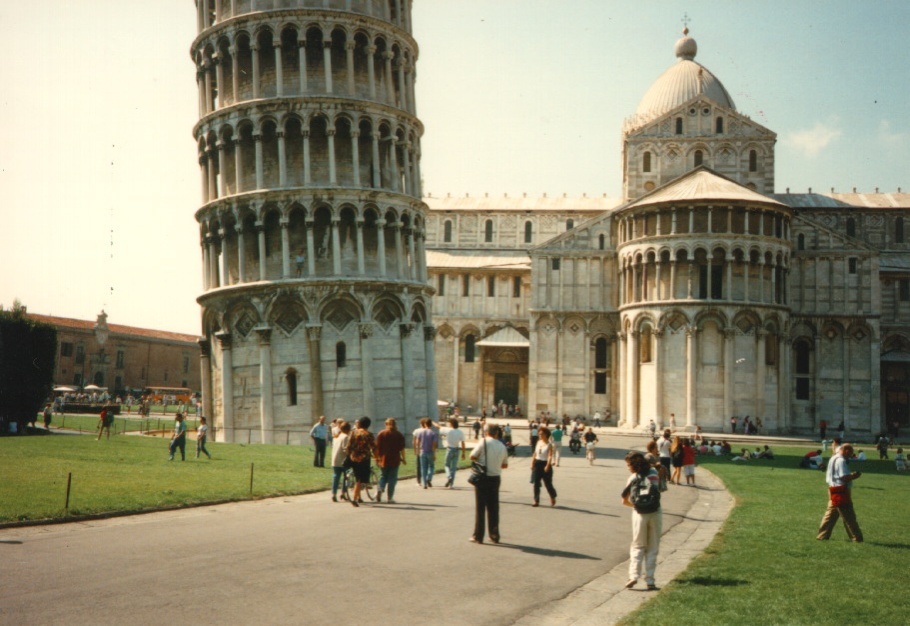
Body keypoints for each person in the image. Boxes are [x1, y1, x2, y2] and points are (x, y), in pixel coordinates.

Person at [621, 451, 661, 591]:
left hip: (639, 514)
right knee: (653, 547)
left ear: (634, 465)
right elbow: (659, 490)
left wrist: (637, 506)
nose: (627, 467)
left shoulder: (632, 478)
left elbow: (624, 501)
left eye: (628, 464)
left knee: (638, 546)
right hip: (655, 513)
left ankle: (633, 576)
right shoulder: (654, 473)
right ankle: (650, 579)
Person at [469, 424, 509, 544]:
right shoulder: (502, 446)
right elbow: (505, 465)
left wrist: (482, 460)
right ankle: (494, 534)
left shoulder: (484, 442)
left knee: (480, 508)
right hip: (495, 478)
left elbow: (472, 456)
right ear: (496, 433)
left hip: (483, 478)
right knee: (493, 508)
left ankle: (478, 535)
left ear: (486, 432)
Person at [816, 443, 863, 542]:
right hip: (841, 490)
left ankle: (822, 535)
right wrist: (854, 475)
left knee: (830, 515)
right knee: (849, 516)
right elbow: (844, 477)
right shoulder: (841, 461)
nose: (850, 456)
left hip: (832, 489)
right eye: (850, 454)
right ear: (846, 451)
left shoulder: (833, 458)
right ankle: (857, 537)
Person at [375, 418, 406, 503]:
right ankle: (390, 497)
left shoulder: (381, 434)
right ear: (395, 424)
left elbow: (377, 448)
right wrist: (404, 459)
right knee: (392, 479)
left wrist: (376, 457)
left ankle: (380, 488)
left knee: (383, 476)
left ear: (386, 424)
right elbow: (402, 449)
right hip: (395, 459)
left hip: (383, 459)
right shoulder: (399, 435)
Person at [346, 417, 376, 507]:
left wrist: (350, 455)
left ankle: (359, 497)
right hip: (364, 459)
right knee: (360, 480)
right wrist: (376, 457)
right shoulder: (368, 434)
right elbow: (374, 447)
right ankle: (354, 498)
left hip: (353, 457)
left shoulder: (353, 432)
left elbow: (348, 446)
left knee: (357, 476)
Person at [530, 426, 557, 507]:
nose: (540, 435)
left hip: (545, 464)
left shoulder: (549, 445)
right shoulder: (538, 442)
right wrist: (532, 463)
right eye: (539, 434)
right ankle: (536, 500)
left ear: (546, 435)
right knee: (536, 483)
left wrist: (548, 465)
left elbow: (550, 456)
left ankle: (552, 496)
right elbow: (535, 454)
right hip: (537, 464)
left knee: (548, 484)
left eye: (541, 434)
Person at [438, 417, 466, 488]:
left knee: (447, 465)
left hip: (449, 449)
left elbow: (439, 427)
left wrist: (433, 422)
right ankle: (451, 484)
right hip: (456, 450)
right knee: (453, 468)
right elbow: (463, 443)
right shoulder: (460, 432)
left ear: (451, 424)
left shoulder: (448, 430)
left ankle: (449, 476)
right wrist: (463, 453)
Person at [413, 417, 438, 488]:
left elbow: (418, 442)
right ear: (431, 425)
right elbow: (434, 444)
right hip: (430, 451)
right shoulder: (433, 433)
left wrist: (418, 450)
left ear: (425, 424)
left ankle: (424, 484)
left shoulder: (421, 432)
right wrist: (434, 453)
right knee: (431, 466)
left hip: (422, 451)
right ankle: (429, 478)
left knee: (423, 468)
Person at [330, 420, 351, 502]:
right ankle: (343, 492)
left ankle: (334, 494)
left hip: (335, 460)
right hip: (343, 460)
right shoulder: (345, 437)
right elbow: (345, 449)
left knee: (336, 477)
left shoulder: (336, 436)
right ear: (347, 429)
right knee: (346, 477)